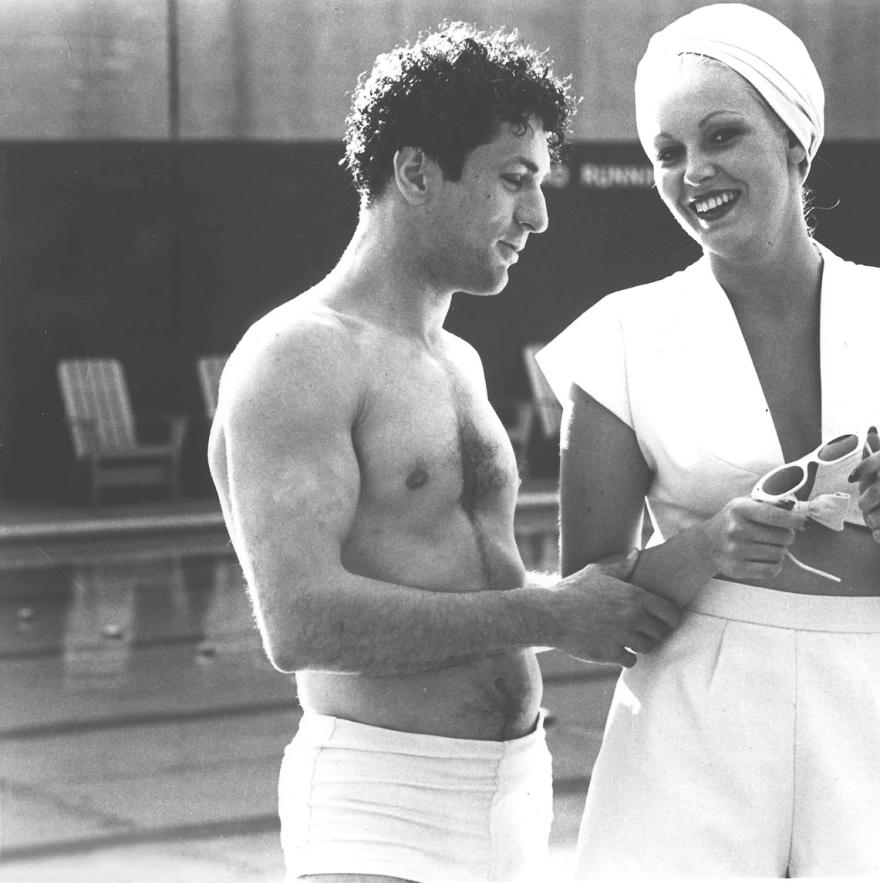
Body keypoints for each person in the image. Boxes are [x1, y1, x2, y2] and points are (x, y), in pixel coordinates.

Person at [208, 22, 681, 883]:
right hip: (378, 801)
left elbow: (466, 575)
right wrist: (552, 615)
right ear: (417, 172)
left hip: (514, 795)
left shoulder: (455, 358)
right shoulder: (299, 356)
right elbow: (300, 622)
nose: (537, 215)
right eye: (514, 180)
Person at [537, 4, 880, 878]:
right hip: (692, 716)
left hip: (872, 709)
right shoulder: (622, 336)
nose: (693, 171)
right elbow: (589, 601)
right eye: (667, 153)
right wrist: (710, 545)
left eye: (721, 137)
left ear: (796, 141)